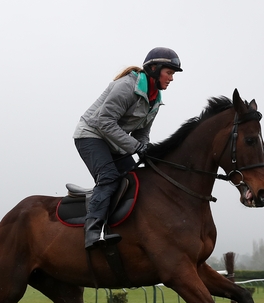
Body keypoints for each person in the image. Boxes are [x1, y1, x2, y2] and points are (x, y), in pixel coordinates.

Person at [73, 47, 183, 249]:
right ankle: (93, 231)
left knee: (137, 179)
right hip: (91, 134)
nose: (172, 78)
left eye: (173, 74)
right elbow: (104, 122)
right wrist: (136, 147)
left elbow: (141, 134)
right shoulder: (126, 87)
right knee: (109, 178)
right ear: (154, 69)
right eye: (169, 73)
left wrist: (147, 151)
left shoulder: (155, 99)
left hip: (115, 141)